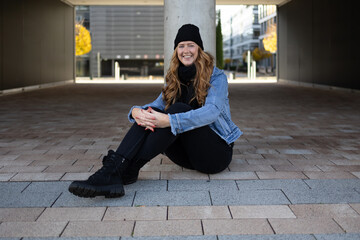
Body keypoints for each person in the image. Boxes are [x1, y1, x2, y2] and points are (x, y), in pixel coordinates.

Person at [68, 24, 242, 198]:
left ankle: (120, 170)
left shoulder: (216, 77)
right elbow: (156, 106)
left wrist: (169, 121)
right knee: (151, 112)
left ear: (199, 49)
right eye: (181, 46)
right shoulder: (174, 78)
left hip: (214, 156)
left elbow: (211, 112)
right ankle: (117, 171)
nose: (186, 50)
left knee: (176, 110)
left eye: (191, 45)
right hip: (186, 156)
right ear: (176, 51)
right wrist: (136, 112)